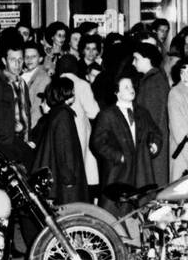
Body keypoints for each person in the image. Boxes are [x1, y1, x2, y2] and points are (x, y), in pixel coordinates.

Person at [90, 75, 160, 217]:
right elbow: (97, 143)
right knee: (115, 211)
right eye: (126, 87)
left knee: (142, 209)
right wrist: (118, 156)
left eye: (132, 86)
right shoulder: (107, 115)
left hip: (141, 170)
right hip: (118, 171)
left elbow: (155, 131)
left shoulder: (142, 112)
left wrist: (155, 144)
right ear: (117, 93)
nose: (131, 90)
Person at [32, 79, 88, 204]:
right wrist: (68, 177)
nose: (74, 93)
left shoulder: (57, 113)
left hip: (59, 177)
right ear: (65, 92)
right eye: (72, 90)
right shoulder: (63, 114)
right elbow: (63, 149)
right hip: (66, 182)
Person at [130, 43, 170, 185]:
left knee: (153, 181)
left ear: (147, 59)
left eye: (136, 58)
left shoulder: (153, 82)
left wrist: (151, 143)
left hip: (153, 142)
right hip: (153, 140)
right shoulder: (153, 78)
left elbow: (154, 117)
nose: (133, 62)